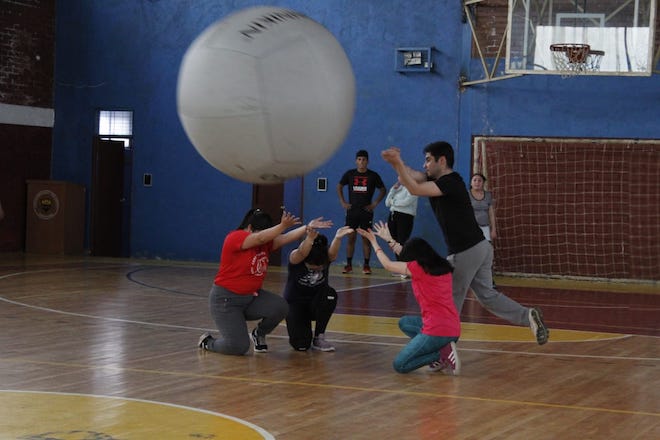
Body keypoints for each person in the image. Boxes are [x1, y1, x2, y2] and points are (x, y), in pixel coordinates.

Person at [381, 142, 549, 345]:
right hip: (481, 248)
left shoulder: (451, 181)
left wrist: (398, 162)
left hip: (466, 250)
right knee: (487, 295)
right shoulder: (436, 179)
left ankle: (442, 351)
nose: (424, 165)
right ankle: (528, 315)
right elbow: (408, 177)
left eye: (428, 160)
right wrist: (396, 162)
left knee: (448, 305)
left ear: (441, 161)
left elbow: (414, 188)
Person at [198, 208, 332, 355]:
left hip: (250, 298)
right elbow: (260, 237)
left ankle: (259, 334)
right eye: (263, 231)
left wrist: (308, 227)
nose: (268, 235)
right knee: (238, 347)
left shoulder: (265, 243)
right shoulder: (234, 237)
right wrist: (282, 226)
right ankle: (208, 342)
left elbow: (286, 237)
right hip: (226, 301)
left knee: (280, 307)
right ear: (249, 228)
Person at [357, 221, 461, 375]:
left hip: (436, 330)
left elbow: (388, 265)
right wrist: (389, 240)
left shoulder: (417, 269)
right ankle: (443, 347)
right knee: (405, 322)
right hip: (453, 328)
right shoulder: (442, 266)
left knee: (400, 365)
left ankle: (440, 354)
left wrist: (373, 241)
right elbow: (405, 254)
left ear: (415, 258)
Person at [284, 225, 353, 352]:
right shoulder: (296, 258)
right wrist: (309, 239)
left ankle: (319, 337)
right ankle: (303, 334)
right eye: (312, 266)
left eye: (319, 266)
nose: (316, 268)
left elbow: (332, 254)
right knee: (301, 345)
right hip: (296, 303)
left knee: (330, 295)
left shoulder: (326, 256)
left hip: (316, 302)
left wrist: (337, 237)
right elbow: (301, 252)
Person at [337, 149, 386, 275]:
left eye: (364, 159)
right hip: (352, 211)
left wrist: (374, 203)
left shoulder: (373, 176)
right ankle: (348, 265)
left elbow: (383, 189)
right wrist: (343, 202)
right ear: (356, 161)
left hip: (366, 212)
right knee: (351, 238)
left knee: (366, 239)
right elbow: (339, 186)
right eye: (359, 159)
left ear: (367, 161)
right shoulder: (350, 174)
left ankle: (366, 265)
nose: (361, 162)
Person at [385, 179, 418, 263]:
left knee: (402, 241)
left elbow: (406, 202)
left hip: (405, 217)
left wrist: (392, 202)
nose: (399, 179)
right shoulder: (398, 188)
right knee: (394, 242)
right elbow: (387, 203)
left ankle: (405, 266)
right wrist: (393, 190)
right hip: (393, 215)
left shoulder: (413, 188)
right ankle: (400, 265)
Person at [469, 173, 496, 242]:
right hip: (471, 228)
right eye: (474, 180)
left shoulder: (488, 195)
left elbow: (491, 214)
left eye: (479, 180)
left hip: (485, 227)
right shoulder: (466, 195)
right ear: (471, 183)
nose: (477, 182)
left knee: (486, 249)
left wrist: (493, 230)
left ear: (483, 183)